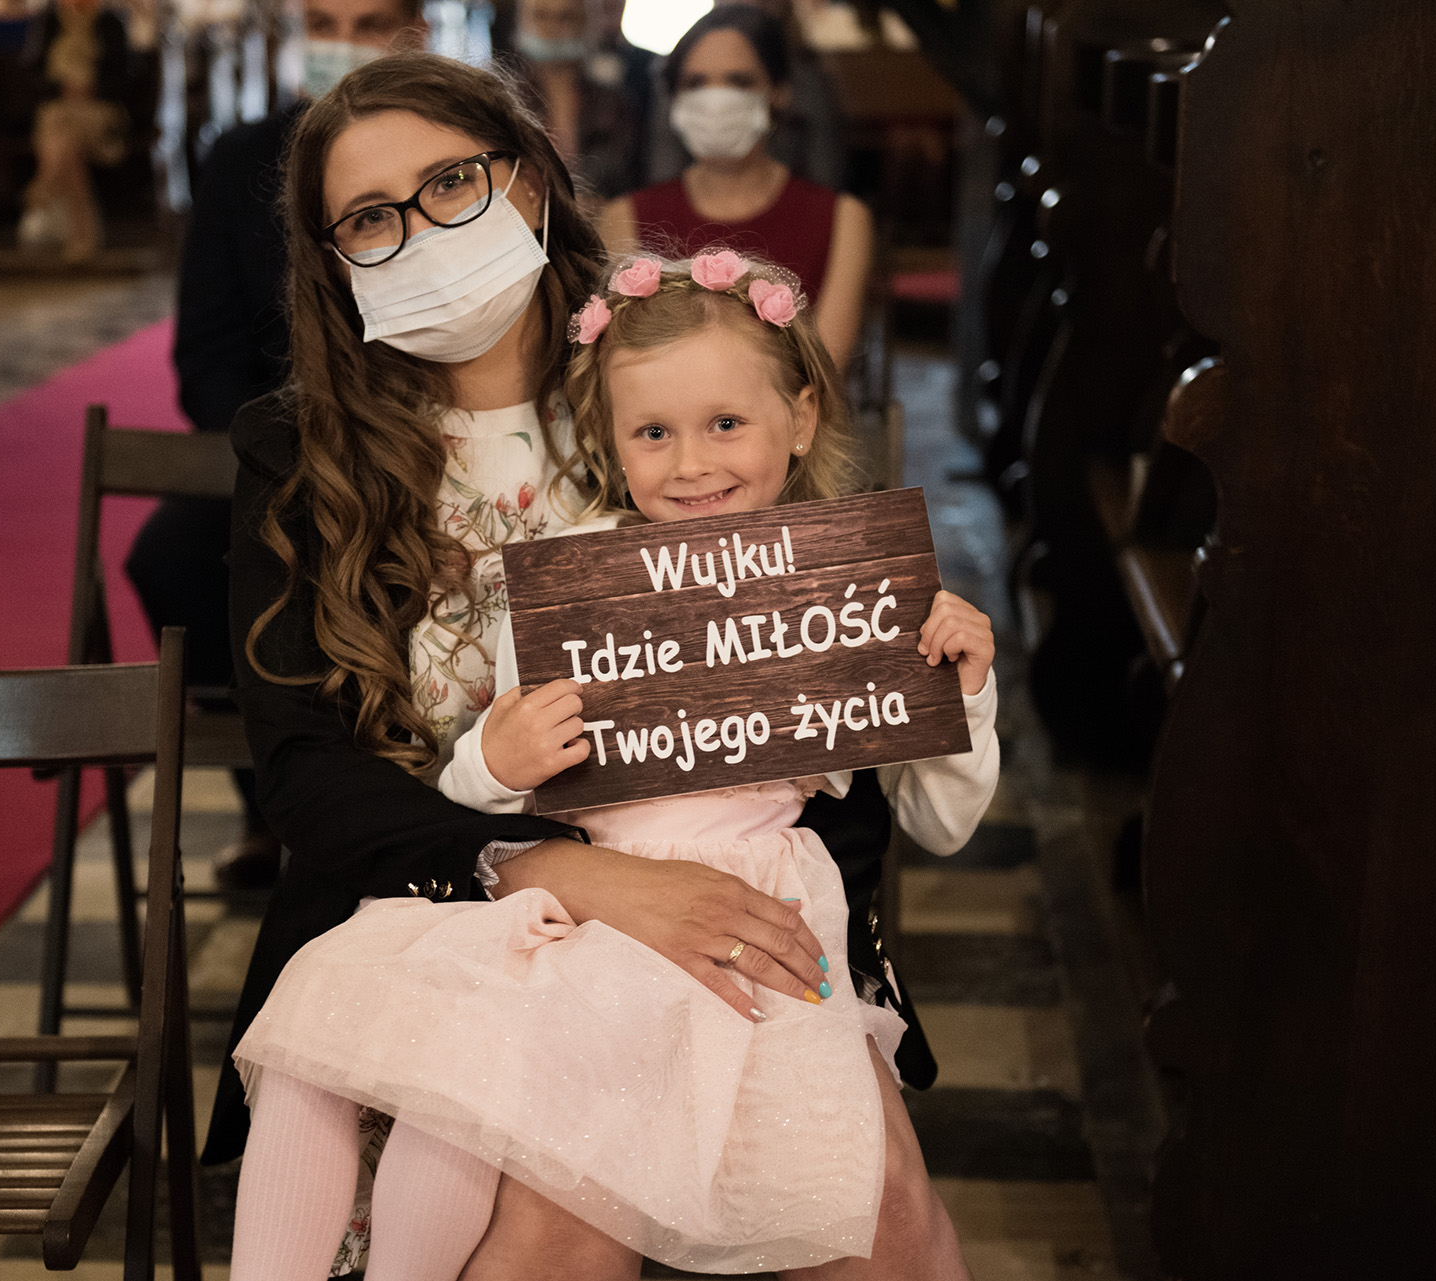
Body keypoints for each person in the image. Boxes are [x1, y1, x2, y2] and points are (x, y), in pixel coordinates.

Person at [216, 51, 972, 1279]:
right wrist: (559, 870)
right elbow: (306, 777)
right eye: (369, 217)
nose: (421, 233)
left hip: (733, 899)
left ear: (527, 179)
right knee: (559, 1225)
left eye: (450, 183)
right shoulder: (300, 456)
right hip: (435, 907)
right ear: (332, 257)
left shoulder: (667, 386)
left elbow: (817, 719)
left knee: (871, 1209)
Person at [122, 0, 425, 890]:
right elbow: (205, 360)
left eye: (367, 23)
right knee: (170, 554)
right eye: (324, 21)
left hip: (427, 428)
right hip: (282, 443)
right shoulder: (241, 159)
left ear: (412, 30)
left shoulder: (443, 153)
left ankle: (426, 795)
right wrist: (295, 449)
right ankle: (272, 806)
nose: (342, 44)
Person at [601, 3, 871, 370]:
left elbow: (825, 371)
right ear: (675, 100)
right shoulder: (626, 218)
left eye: (739, 81)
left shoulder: (842, 219)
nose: (716, 100)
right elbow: (626, 364)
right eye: (696, 83)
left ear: (779, 92)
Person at [16, 0, 129, 264]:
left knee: (62, 132)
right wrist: (63, 89)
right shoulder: (48, 23)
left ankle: (42, 187)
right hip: (58, 111)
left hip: (99, 111)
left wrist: (91, 89)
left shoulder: (111, 24)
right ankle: (83, 233)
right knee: (66, 139)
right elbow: (34, 74)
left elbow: (123, 76)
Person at [511, 0, 638, 202]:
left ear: (587, 23)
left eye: (566, 17)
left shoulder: (613, 104)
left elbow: (627, 180)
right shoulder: (507, 101)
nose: (553, 28)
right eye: (541, 16)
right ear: (523, 22)